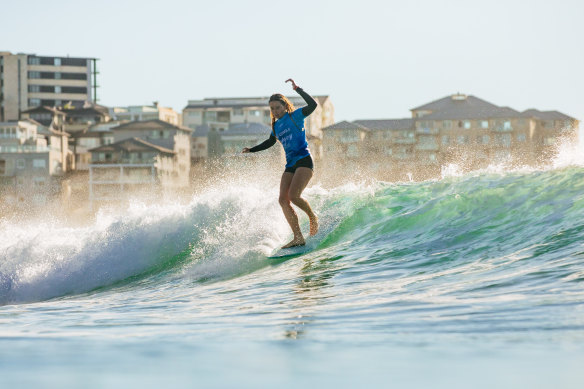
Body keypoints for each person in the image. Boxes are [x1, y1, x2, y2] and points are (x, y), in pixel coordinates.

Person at [242, 79, 319, 248]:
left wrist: (298, 89)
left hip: (304, 161)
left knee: (293, 196)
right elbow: (270, 142)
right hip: (290, 164)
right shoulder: (276, 126)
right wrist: (252, 150)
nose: (275, 111)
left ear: (285, 106)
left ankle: (312, 217)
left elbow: (313, 105)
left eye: (277, 107)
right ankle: (298, 237)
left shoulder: (295, 116)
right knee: (283, 200)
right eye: (272, 108)